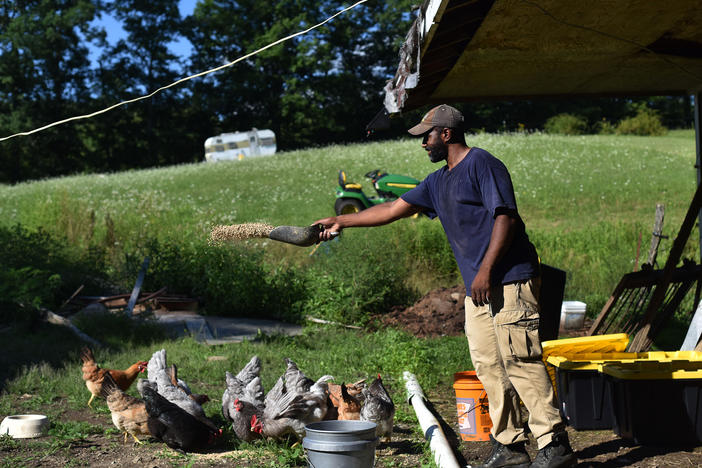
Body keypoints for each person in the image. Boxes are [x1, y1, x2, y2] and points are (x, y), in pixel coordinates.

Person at [314, 104, 576, 468]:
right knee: (488, 364)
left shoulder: (482, 164)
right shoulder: (438, 181)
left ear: (446, 133)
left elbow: (506, 219)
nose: (423, 143)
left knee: (519, 358)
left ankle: (554, 443)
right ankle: (511, 445)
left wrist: (485, 270)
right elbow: (391, 210)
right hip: (479, 289)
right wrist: (341, 219)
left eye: (427, 135)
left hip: (511, 278)